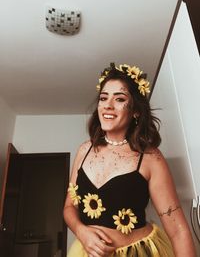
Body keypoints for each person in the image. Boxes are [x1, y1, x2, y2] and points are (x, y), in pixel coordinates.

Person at [63, 63, 196, 257]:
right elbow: (69, 207)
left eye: (119, 99)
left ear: (136, 111)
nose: (108, 105)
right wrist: (81, 232)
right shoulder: (84, 150)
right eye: (103, 98)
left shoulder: (150, 158)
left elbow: (178, 231)